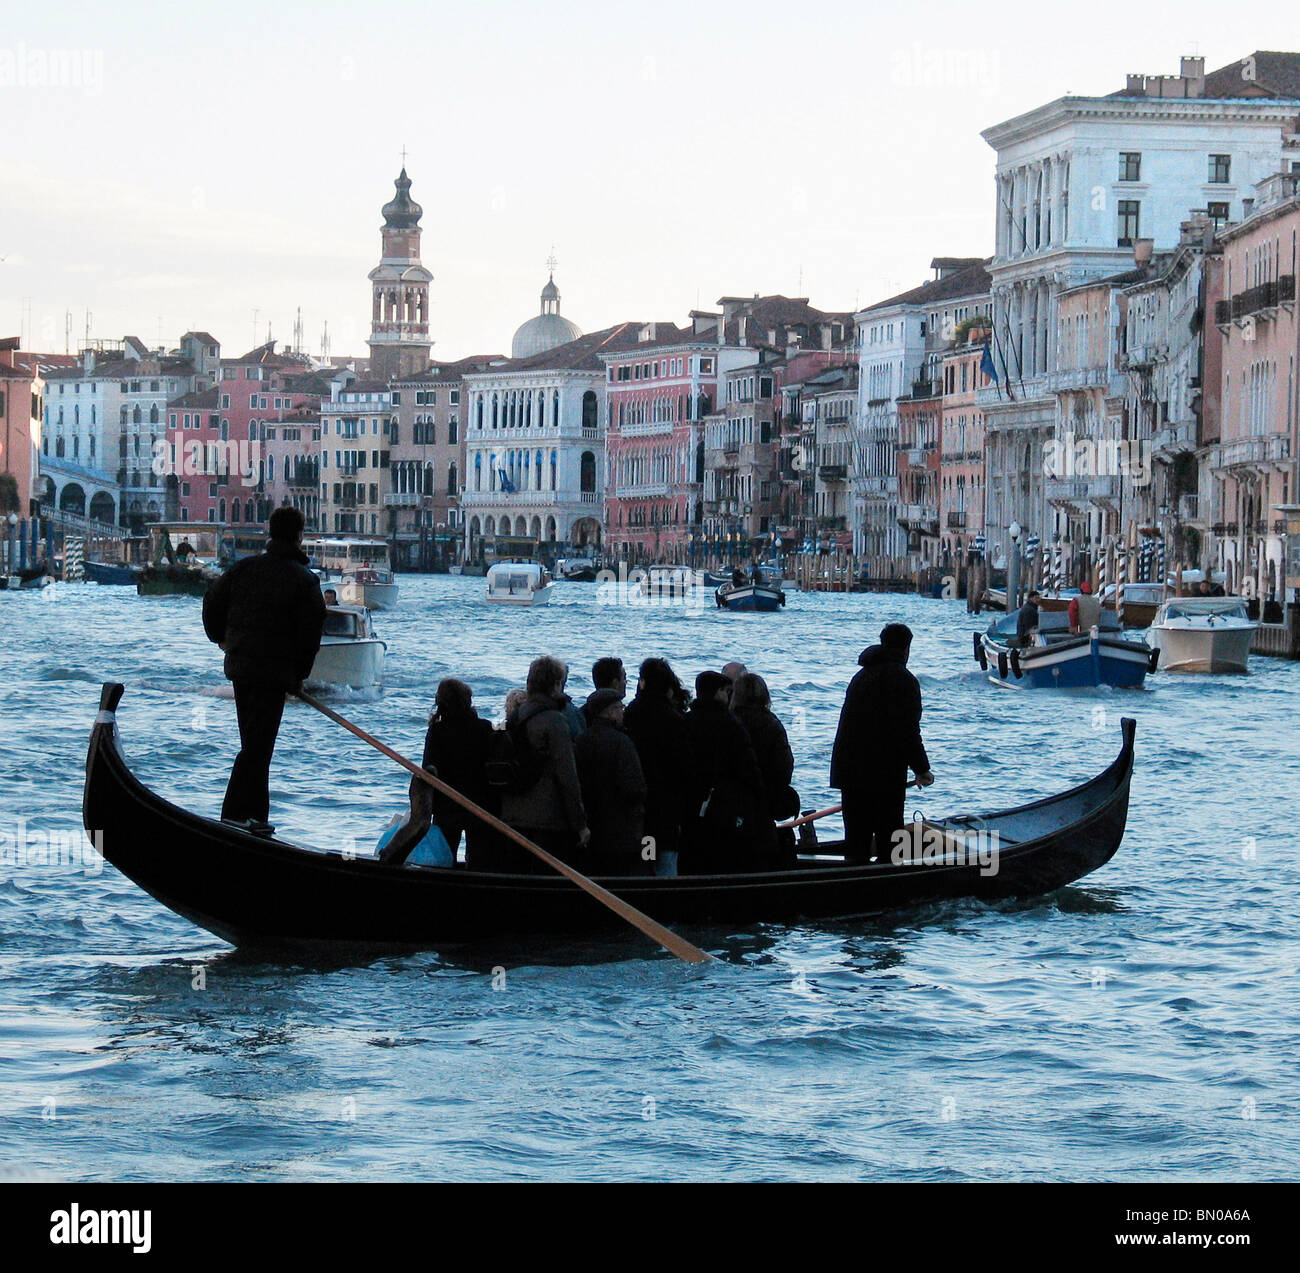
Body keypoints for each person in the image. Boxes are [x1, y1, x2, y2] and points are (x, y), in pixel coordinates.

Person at [201, 506, 325, 830]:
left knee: (255, 744)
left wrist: (221, 639)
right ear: (299, 537)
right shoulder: (305, 582)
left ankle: (249, 818)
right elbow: (310, 635)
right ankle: (241, 819)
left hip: (242, 668)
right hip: (274, 675)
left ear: (271, 533)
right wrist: (298, 677)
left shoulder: (244, 569)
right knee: (258, 747)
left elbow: (211, 602)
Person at [830, 623, 934, 864]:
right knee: (889, 842)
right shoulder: (904, 679)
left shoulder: (861, 676)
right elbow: (907, 731)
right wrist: (922, 769)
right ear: (907, 648)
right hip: (884, 775)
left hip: (850, 773)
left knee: (855, 842)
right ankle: (889, 893)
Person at [500, 655, 590, 871]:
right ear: (556, 684)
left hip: (513, 813)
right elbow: (567, 775)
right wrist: (580, 824)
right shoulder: (555, 720)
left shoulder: (517, 715)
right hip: (547, 819)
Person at [681, 670, 765, 873]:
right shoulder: (731, 725)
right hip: (725, 807)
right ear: (718, 693)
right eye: (726, 691)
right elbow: (747, 767)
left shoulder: (685, 722)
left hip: (692, 805)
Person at [623, 657, 694, 877]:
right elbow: (684, 767)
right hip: (668, 805)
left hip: (643, 804)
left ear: (643, 682)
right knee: (667, 858)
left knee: (648, 855)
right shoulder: (675, 719)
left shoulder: (632, 713)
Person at [419, 678, 500, 867]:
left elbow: (428, 767)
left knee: (445, 857)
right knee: (480, 860)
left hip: (447, 802)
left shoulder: (437, 731)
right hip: (480, 802)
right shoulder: (484, 727)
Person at [575, 689, 649, 875]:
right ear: (609, 712)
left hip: (593, 823)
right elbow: (634, 788)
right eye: (619, 707)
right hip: (622, 829)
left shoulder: (582, 739)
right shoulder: (622, 742)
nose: (622, 711)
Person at [730, 672, 797, 867]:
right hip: (763, 802)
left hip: (731, 801)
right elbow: (784, 767)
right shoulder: (772, 724)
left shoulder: (730, 720)